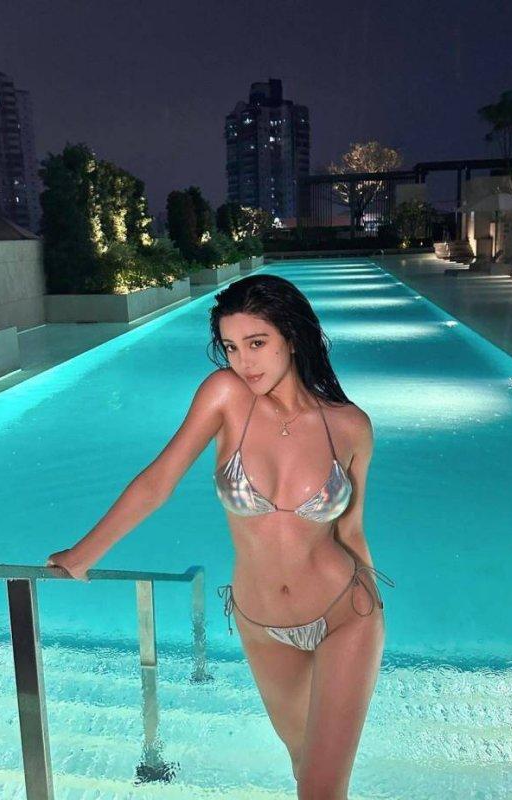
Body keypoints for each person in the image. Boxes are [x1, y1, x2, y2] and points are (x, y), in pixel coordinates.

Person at [46, 273, 395, 799]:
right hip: (261, 623)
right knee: (302, 763)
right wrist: (83, 554)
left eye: (256, 343)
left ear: (291, 337)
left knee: (322, 789)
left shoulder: (350, 426)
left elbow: (350, 529)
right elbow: (158, 481)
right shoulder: (226, 396)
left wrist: (372, 602)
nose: (243, 362)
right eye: (231, 347)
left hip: (346, 614)